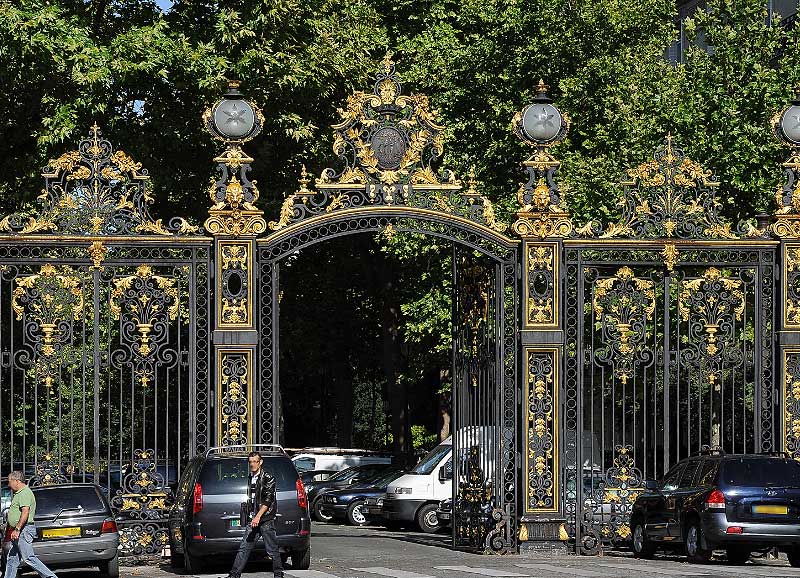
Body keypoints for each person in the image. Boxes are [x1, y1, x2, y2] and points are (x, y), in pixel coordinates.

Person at [226, 451, 284, 578]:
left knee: (272, 549)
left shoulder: (268, 477)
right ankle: (234, 575)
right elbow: (253, 498)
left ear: (260, 462)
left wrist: (258, 516)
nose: (252, 464)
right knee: (244, 548)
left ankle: (279, 575)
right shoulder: (250, 477)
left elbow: (267, 500)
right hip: (253, 519)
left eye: (255, 462)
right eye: (250, 462)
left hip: (265, 519)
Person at [3, 471, 57, 578]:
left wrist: (17, 529)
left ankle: (51, 576)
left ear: (17, 481)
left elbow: (25, 512)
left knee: (28, 557)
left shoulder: (24, 493)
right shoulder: (20, 493)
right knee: (12, 559)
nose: (9, 485)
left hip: (24, 530)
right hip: (20, 530)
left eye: (10, 482)